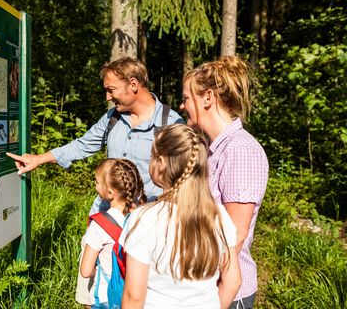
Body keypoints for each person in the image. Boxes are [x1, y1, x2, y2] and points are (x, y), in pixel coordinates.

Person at [7, 57, 183, 214]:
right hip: (106, 216)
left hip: (147, 220)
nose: (107, 97)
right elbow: (82, 145)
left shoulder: (171, 124)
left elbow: (183, 181)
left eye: (111, 89)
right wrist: (39, 159)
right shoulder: (112, 118)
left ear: (133, 84)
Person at [180, 56, 269, 309]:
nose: (182, 105)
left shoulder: (240, 150)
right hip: (201, 283)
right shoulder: (211, 149)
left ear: (207, 98)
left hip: (223, 291)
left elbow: (236, 234)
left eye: (187, 98)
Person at [120, 124, 241, 308]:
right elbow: (233, 281)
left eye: (152, 156)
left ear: (160, 163)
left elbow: (134, 297)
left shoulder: (144, 218)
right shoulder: (218, 215)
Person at [80, 159, 146, 309]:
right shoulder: (142, 218)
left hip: (106, 297)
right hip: (137, 294)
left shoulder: (99, 225)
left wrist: (96, 270)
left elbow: (85, 271)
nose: (95, 185)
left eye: (97, 182)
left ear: (110, 192)